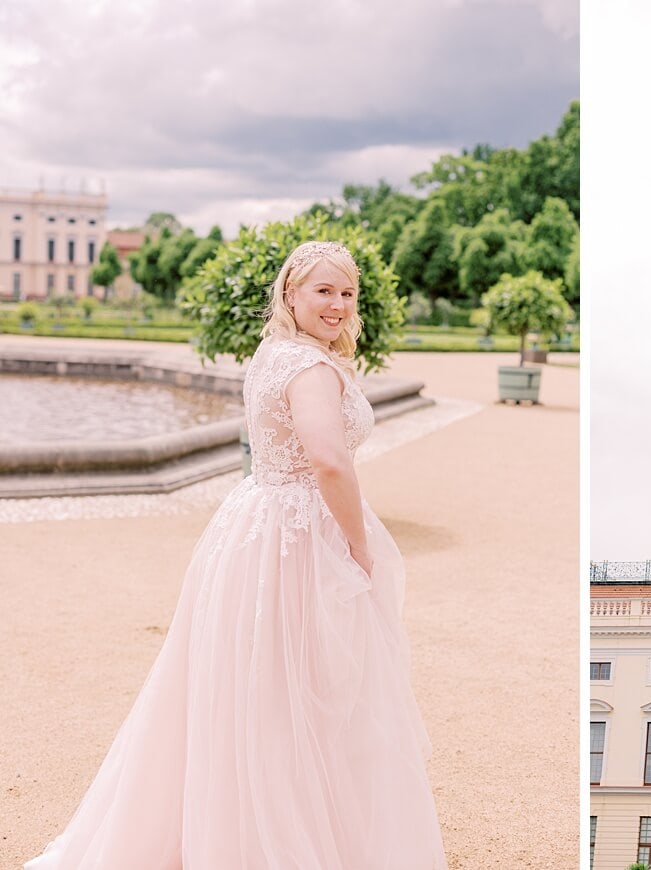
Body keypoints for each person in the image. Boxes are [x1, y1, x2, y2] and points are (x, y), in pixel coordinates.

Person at [25, 241, 448, 869]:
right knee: (305, 691)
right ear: (291, 294)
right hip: (298, 537)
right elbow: (329, 460)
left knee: (247, 687)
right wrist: (359, 547)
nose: (337, 304)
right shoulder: (309, 368)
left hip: (254, 523)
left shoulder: (274, 354)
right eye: (323, 291)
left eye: (347, 292)